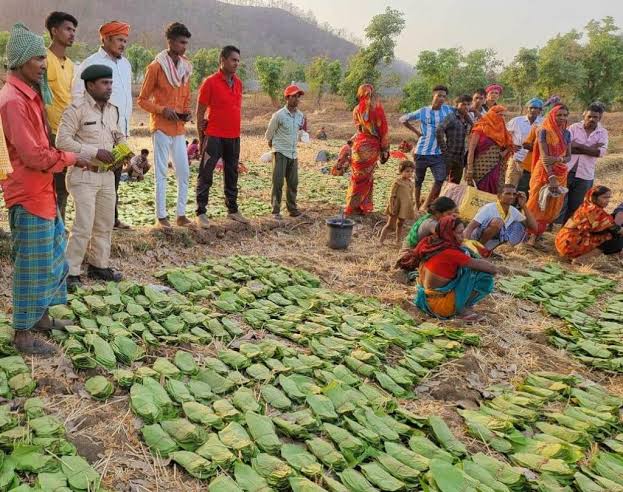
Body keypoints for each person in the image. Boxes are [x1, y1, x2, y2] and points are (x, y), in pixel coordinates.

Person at [0, 23, 83, 354]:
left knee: (50, 259)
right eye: (37, 58)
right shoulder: (12, 102)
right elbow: (34, 154)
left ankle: (41, 319)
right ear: (20, 60)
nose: (43, 63)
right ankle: (22, 334)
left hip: (43, 192)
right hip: (28, 193)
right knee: (31, 266)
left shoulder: (30, 95)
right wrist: (73, 157)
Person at [57, 65, 126, 290]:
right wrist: (94, 152)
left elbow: (118, 136)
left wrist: (127, 154)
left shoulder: (113, 110)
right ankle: (71, 272)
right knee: (83, 225)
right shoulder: (76, 109)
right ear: (90, 85)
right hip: (83, 174)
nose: (109, 87)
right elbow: (62, 142)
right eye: (104, 83)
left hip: (106, 175)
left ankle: (98, 265)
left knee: (104, 224)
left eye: (110, 83)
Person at [72, 20, 132, 230]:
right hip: (95, 130)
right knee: (94, 177)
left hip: (119, 130)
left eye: (125, 40)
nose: (123, 44)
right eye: (119, 40)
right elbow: (78, 97)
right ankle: (91, 223)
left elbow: (125, 101)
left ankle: (111, 219)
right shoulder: (90, 63)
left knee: (113, 176)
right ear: (105, 39)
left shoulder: (125, 65)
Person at [137, 22, 193, 229]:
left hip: (179, 128)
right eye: (181, 42)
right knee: (161, 172)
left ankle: (180, 214)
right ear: (170, 42)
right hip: (160, 126)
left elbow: (186, 98)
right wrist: (162, 110)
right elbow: (142, 100)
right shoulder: (155, 67)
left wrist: (186, 113)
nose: (184, 47)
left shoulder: (186, 67)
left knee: (184, 172)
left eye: (186, 43)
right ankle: (161, 216)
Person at [195, 45, 249, 227]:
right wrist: (201, 137)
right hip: (214, 135)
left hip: (233, 136)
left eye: (238, 61)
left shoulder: (239, 83)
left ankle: (232, 210)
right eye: (233, 60)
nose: (236, 63)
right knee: (206, 173)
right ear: (223, 60)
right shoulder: (210, 82)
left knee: (232, 173)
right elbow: (200, 111)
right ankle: (201, 212)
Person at [411, 216, 497, 321]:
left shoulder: (430, 242)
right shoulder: (451, 253)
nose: (463, 236)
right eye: (459, 233)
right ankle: (461, 309)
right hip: (439, 307)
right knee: (484, 277)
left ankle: (458, 304)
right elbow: (492, 269)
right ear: (449, 233)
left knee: (465, 266)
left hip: (423, 300)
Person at [45, 11, 78, 224]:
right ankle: (49, 224)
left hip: (66, 132)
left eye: (74, 30)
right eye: (68, 29)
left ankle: (60, 224)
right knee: (45, 183)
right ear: (54, 31)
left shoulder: (72, 65)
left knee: (63, 183)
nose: (72, 34)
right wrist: (44, 128)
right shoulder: (43, 58)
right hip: (47, 131)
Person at [400, 85, 453, 211]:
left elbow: (463, 109)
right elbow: (403, 119)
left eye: (444, 96)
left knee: (440, 179)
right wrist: (417, 132)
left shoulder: (448, 110)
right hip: (421, 152)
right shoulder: (423, 111)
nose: (441, 98)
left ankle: (426, 204)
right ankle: (417, 206)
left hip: (438, 153)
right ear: (433, 95)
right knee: (418, 181)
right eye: (439, 95)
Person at [525, 104, 571, 242]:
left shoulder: (567, 133)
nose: (562, 118)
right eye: (559, 115)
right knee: (536, 203)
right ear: (552, 115)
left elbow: (568, 156)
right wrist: (551, 177)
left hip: (561, 172)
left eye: (564, 115)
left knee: (551, 206)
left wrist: (558, 159)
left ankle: (538, 236)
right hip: (544, 172)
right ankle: (528, 236)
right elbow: (545, 157)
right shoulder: (543, 131)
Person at [559, 103, 608, 224]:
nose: (592, 119)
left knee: (577, 206)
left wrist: (577, 146)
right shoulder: (573, 127)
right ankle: (554, 232)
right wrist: (590, 148)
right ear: (584, 115)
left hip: (585, 175)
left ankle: (568, 231)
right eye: (589, 116)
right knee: (559, 204)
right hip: (566, 171)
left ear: (600, 118)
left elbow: (600, 153)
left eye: (595, 117)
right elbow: (566, 148)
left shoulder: (602, 132)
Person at [345, 84, 389, 215]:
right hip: (371, 146)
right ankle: (357, 207)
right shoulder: (377, 109)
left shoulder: (356, 109)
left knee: (357, 177)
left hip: (358, 146)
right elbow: (383, 132)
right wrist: (385, 149)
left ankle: (355, 206)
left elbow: (358, 130)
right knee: (366, 178)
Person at [265, 84, 305, 220]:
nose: (297, 99)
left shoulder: (300, 116)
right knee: (278, 182)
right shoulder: (279, 115)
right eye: (294, 96)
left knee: (293, 182)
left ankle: (292, 209)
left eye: (298, 96)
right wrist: (274, 147)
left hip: (293, 153)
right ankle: (275, 210)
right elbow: (269, 134)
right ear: (287, 98)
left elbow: (298, 132)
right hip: (281, 152)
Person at [555, 186, 623, 263]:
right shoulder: (596, 212)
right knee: (615, 239)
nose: (608, 201)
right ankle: (581, 259)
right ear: (594, 198)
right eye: (604, 197)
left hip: (562, 241)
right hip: (571, 244)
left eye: (609, 198)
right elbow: (617, 229)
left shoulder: (585, 206)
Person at [464, 184, 537, 252]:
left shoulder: (513, 210)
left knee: (519, 226)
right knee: (498, 222)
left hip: (496, 241)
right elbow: (470, 227)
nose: (512, 196)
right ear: (499, 196)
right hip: (479, 238)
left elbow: (534, 227)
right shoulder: (489, 208)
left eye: (514, 194)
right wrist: (464, 245)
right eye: (508, 194)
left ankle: (503, 249)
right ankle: (480, 248)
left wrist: (524, 206)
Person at [465, 105, 514, 194]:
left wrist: (504, 152)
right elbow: (471, 151)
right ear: (491, 115)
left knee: (496, 191)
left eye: (504, 116)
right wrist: (470, 169)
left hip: (497, 167)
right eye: (499, 115)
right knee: (481, 193)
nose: (502, 118)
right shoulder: (479, 129)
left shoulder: (503, 131)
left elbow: (509, 145)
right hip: (480, 168)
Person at [505, 98, 544, 187]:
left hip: (533, 160)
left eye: (536, 108)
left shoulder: (543, 123)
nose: (533, 110)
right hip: (516, 158)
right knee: (510, 185)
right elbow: (505, 134)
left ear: (540, 110)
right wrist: (510, 145)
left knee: (526, 188)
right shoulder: (517, 121)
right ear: (527, 108)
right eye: (531, 107)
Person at [436, 94, 473, 184]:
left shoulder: (468, 119)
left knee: (454, 184)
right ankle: (436, 198)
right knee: (441, 182)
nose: (466, 107)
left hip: (461, 157)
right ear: (457, 105)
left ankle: (449, 198)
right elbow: (439, 129)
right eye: (463, 104)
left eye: (468, 104)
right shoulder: (451, 117)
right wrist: (444, 150)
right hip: (449, 155)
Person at [380, 160, 416, 245]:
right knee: (390, 225)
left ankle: (398, 241)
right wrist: (391, 206)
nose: (410, 173)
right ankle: (381, 241)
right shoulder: (397, 182)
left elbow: (410, 195)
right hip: (396, 206)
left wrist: (412, 204)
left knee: (400, 224)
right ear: (401, 171)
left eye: (411, 171)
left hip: (404, 207)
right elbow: (392, 195)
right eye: (407, 171)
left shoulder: (411, 183)